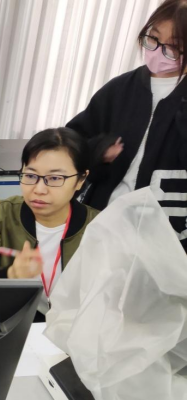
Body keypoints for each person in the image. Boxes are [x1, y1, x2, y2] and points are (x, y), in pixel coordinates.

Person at [67, 0, 187, 251]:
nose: (157, 51)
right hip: (105, 222)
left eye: (173, 47)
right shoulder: (121, 88)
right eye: (153, 39)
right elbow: (71, 142)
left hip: (167, 234)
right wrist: (98, 151)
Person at [0, 128, 99, 318]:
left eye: (55, 178)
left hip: (75, 327)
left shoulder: (99, 228)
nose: (39, 189)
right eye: (30, 175)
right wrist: (9, 275)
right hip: (12, 323)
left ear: (80, 180)